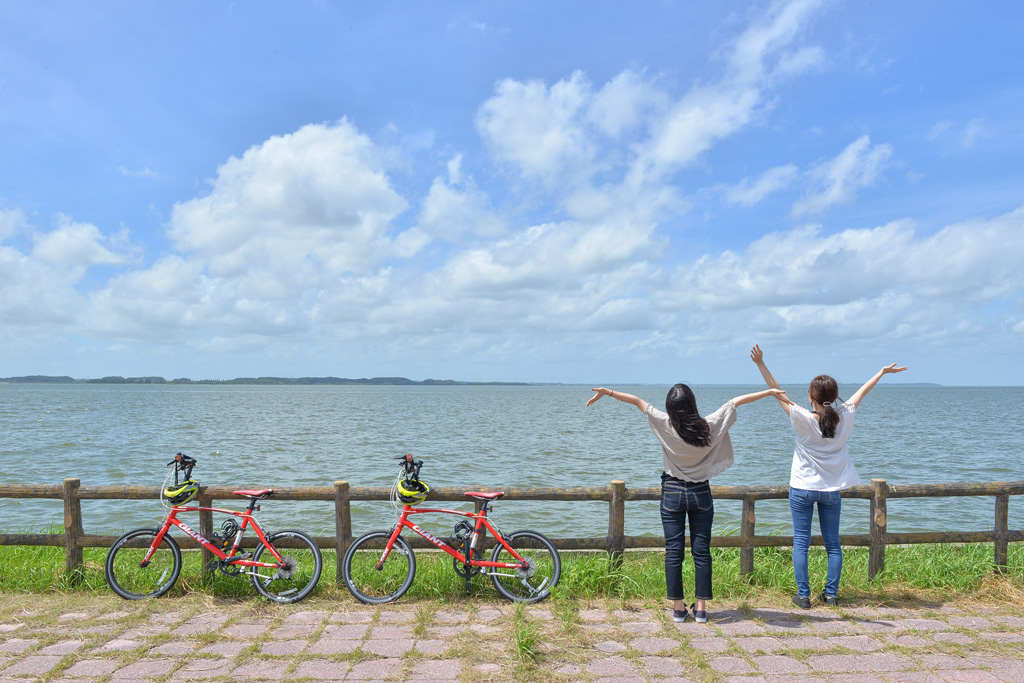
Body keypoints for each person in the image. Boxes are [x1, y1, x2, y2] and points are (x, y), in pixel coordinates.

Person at [587, 383, 792, 623]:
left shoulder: (664, 424)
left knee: (673, 552)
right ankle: (702, 609)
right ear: (692, 403)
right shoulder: (709, 426)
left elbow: (636, 401)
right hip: (700, 494)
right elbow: (735, 402)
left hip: (672, 493)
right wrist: (769, 392)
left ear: (670, 408)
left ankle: (678, 609)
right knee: (701, 552)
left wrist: (608, 392)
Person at [750, 344, 907, 608]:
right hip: (831, 490)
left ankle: (803, 595)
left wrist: (760, 364)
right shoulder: (844, 416)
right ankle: (831, 594)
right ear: (834, 397)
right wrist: (880, 372)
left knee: (801, 543)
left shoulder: (802, 417)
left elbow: (778, 392)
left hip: (802, 487)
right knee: (833, 544)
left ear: (811, 395)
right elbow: (861, 394)